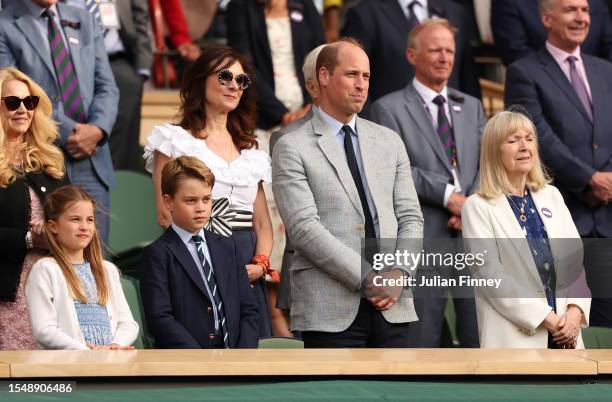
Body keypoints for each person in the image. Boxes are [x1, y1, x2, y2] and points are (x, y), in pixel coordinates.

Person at [272, 39, 424, 348]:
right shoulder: (291, 146)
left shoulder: (389, 141)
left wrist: (399, 273)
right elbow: (304, 229)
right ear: (324, 77)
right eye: (352, 74)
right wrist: (369, 278)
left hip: (394, 305)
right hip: (329, 308)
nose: (361, 85)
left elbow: (411, 217)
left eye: (366, 77)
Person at [143, 45, 275, 338]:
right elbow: (166, 215)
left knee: (251, 354)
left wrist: (261, 263)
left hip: (248, 265)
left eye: (241, 81)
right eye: (225, 76)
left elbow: (263, 224)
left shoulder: (251, 150)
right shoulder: (174, 141)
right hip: (197, 259)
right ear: (201, 80)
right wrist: (216, 262)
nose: (234, 86)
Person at [370, 19, 483, 348]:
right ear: (411, 55)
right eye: (435, 50)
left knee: (480, 335)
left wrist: (470, 205)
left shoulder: (472, 106)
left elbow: (488, 164)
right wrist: (450, 197)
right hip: (423, 235)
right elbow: (396, 169)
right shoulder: (387, 109)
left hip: (473, 233)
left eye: (449, 50)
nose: (444, 57)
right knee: (423, 338)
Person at [504, 0, 612, 327]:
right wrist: (589, 178)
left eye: (585, 10)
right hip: (560, 216)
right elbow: (536, 136)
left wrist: (607, 180)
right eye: (570, 9)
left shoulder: (605, 69)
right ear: (547, 18)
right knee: (567, 325)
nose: (580, 17)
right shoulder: (524, 71)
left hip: (608, 216)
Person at [462, 111, 591, 348]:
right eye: (512, 140)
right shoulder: (476, 207)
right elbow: (491, 277)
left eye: (529, 138)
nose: (524, 146)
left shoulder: (552, 196)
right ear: (494, 151)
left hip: (567, 339)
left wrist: (574, 313)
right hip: (515, 342)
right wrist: (550, 320)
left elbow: (575, 264)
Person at [0, 0, 119, 243]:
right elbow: (12, 91)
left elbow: (107, 85)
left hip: (91, 156)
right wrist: (71, 131)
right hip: (39, 156)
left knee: (93, 256)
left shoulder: (85, 18)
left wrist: (97, 130)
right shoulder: (4, 24)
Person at [140, 156, 259, 348]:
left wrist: (242, 356)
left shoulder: (228, 247)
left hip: (235, 362)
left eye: (206, 199)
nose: (201, 208)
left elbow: (248, 309)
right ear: (168, 202)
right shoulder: (157, 254)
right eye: (191, 200)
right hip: (187, 365)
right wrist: (200, 359)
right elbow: (160, 318)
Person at [0, 68, 67, 350]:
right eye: (13, 103)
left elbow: (75, 214)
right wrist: (28, 239)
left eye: (30, 103)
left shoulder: (49, 160)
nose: (23, 110)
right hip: (8, 291)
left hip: (54, 287)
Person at [26, 185, 138, 350]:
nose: (84, 226)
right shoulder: (45, 270)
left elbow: (127, 323)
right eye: (75, 219)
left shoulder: (107, 270)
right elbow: (44, 330)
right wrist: (85, 351)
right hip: (69, 368)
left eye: (89, 219)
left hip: (109, 363)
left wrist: (114, 346)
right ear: (53, 226)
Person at [269, 43, 326, 336]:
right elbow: (301, 222)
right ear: (316, 84)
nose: (358, 83)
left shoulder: (376, 136)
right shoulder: (287, 138)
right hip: (311, 274)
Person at [341, 0, 480, 116]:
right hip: (388, 129)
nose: (444, 57)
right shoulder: (365, 14)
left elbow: (468, 78)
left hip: (450, 129)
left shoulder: (456, 12)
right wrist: (370, 132)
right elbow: (351, 74)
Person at [65, 0, 153, 172]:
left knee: (122, 146)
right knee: (76, 139)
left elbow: (140, 17)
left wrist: (142, 69)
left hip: (118, 64)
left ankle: (119, 190)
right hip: (69, 64)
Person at [227, 0, 325, 129]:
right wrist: (283, 115)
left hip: (307, 112)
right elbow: (244, 66)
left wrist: (310, 105)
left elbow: (320, 57)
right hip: (262, 117)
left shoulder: (304, 4)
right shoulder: (239, 6)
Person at [491, 0, 612, 66]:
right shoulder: (510, 3)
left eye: (585, 10)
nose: (580, 18)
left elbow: (609, 45)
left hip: (599, 91)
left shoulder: (597, 3)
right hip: (542, 94)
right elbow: (514, 52)